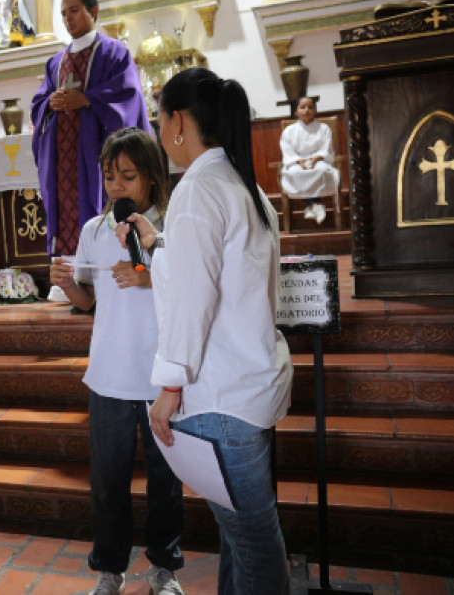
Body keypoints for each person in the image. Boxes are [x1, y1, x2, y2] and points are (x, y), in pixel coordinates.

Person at [120, 67, 293, 594]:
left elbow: (195, 298)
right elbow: (214, 272)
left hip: (221, 397)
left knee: (254, 545)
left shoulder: (198, 189)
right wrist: (158, 244)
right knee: (240, 543)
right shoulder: (242, 183)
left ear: (176, 122)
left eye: (157, 119)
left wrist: (170, 386)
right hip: (248, 385)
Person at [51, 128, 185, 595]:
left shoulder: (169, 229)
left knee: (166, 481)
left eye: (128, 176)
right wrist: (70, 287)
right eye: (109, 177)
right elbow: (90, 302)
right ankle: (111, 570)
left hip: (159, 375)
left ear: (151, 177)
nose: (116, 187)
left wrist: (150, 275)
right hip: (108, 374)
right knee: (107, 483)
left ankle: (164, 569)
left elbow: (189, 291)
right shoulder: (94, 229)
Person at [30, 0, 147, 259]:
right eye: (63, 14)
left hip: (97, 151)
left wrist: (87, 99)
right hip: (63, 157)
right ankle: (70, 273)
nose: (68, 19)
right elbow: (38, 103)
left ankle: (105, 266)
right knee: (66, 207)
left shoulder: (114, 53)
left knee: (98, 203)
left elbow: (128, 95)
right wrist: (50, 104)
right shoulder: (55, 63)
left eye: (74, 11)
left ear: (93, 11)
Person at [279, 96, 340, 225]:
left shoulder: (323, 128)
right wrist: (299, 161)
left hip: (319, 160)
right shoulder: (289, 131)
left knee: (322, 170)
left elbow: (326, 148)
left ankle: (311, 206)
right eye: (302, 107)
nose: (307, 110)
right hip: (296, 162)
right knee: (295, 173)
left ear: (315, 110)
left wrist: (316, 159)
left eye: (310, 107)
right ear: (296, 112)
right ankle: (315, 205)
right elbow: (287, 150)